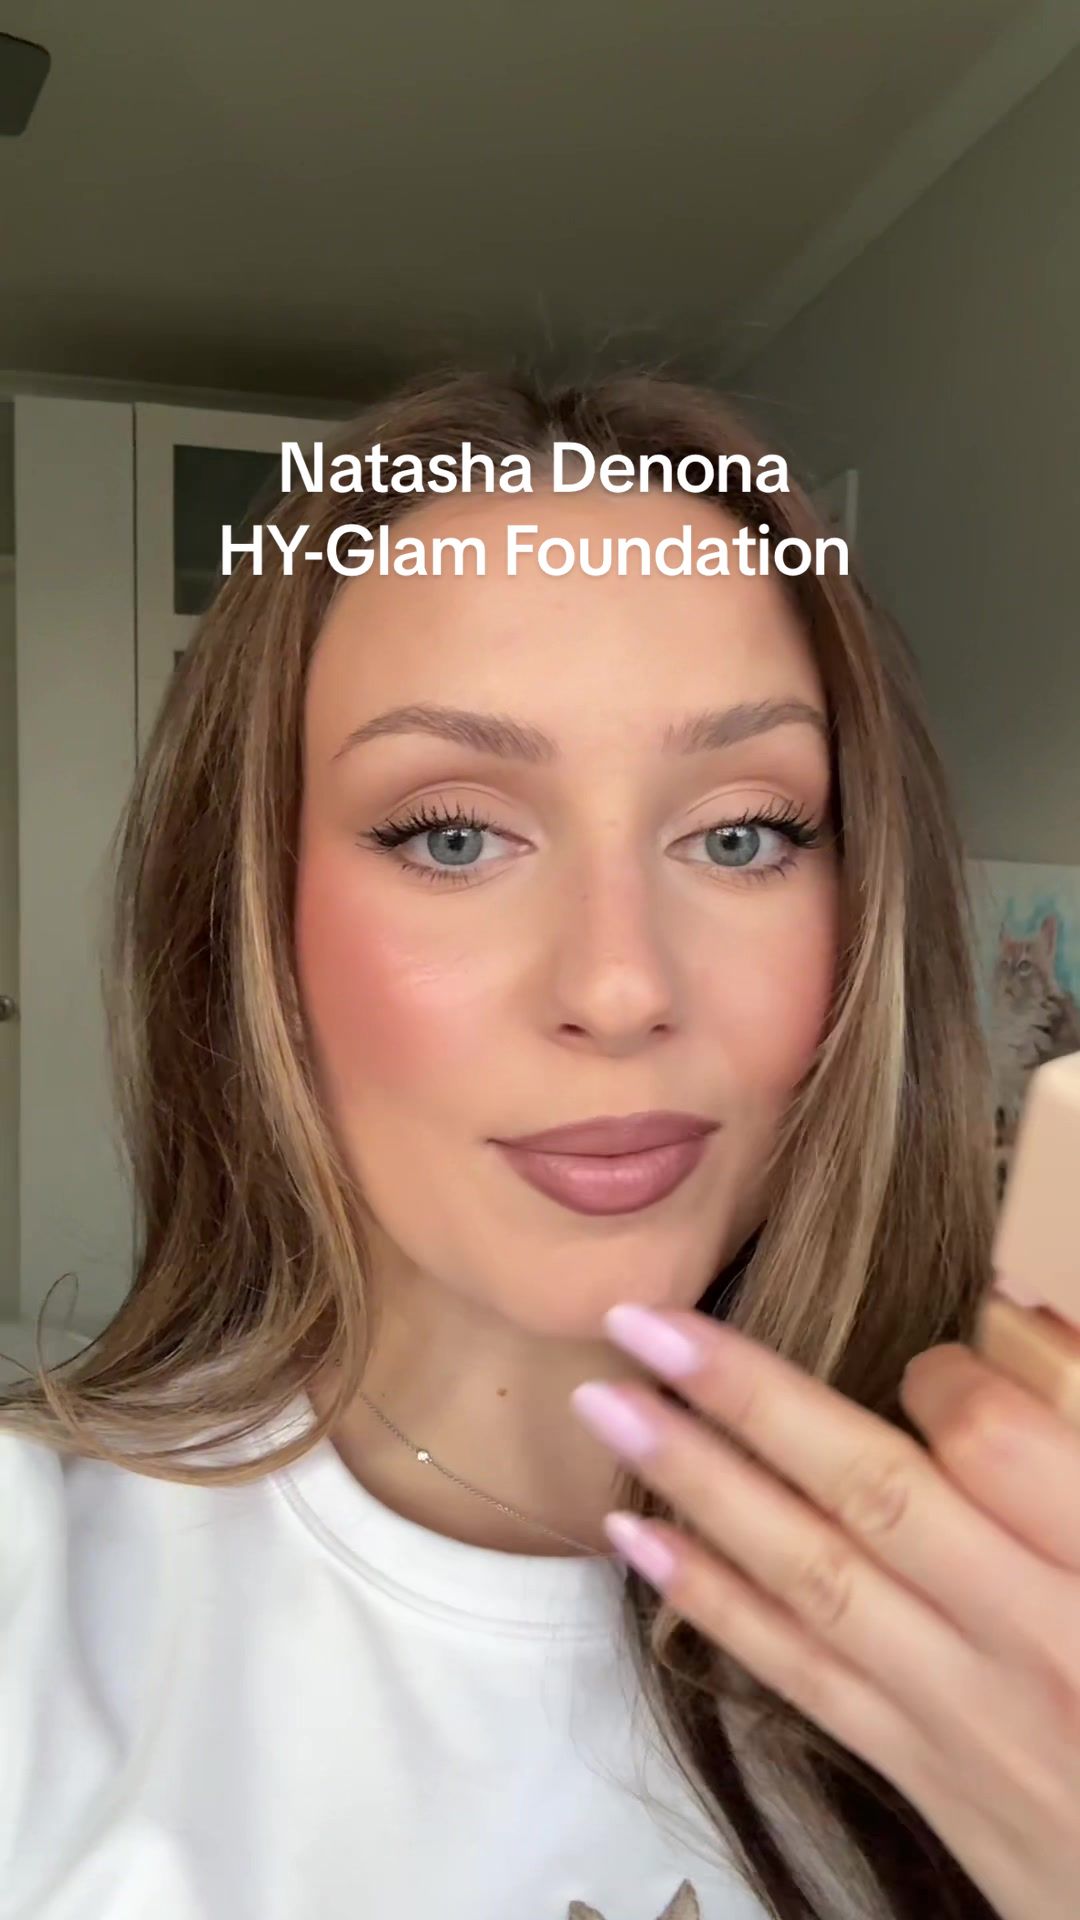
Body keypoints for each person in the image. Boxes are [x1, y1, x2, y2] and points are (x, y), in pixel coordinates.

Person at [0, 370, 1001, 1920]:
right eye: (453, 834)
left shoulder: (1024, 1617)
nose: (621, 985)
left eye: (741, 834)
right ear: (251, 920)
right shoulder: (35, 1596)